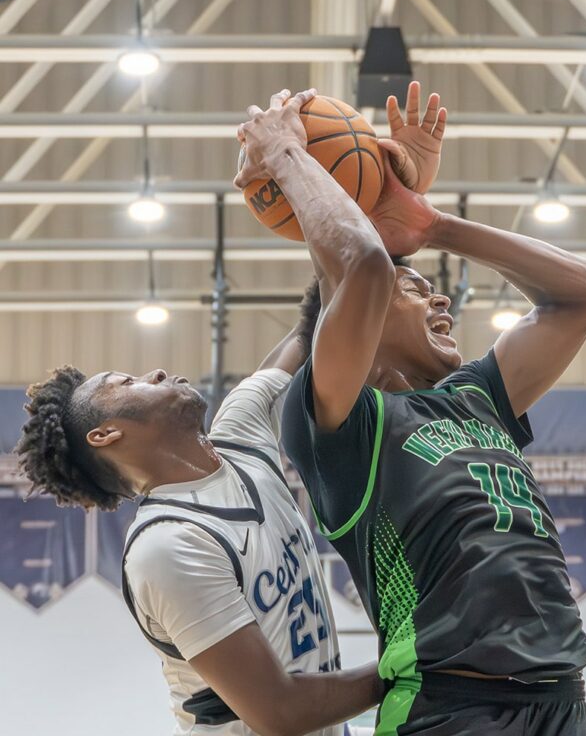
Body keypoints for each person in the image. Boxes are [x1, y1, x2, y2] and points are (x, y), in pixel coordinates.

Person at [13, 83, 447, 736]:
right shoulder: (168, 547)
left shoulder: (241, 434)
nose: (155, 369)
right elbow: (280, 712)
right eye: (127, 378)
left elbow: (336, 311)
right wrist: (433, 659)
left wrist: (377, 199)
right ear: (105, 434)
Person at [233, 88, 586, 736]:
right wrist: (288, 154)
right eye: (418, 288)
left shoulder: (476, 396)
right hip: (449, 706)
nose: (442, 301)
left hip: (562, 701)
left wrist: (431, 225)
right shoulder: (344, 424)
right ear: (367, 316)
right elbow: (359, 269)